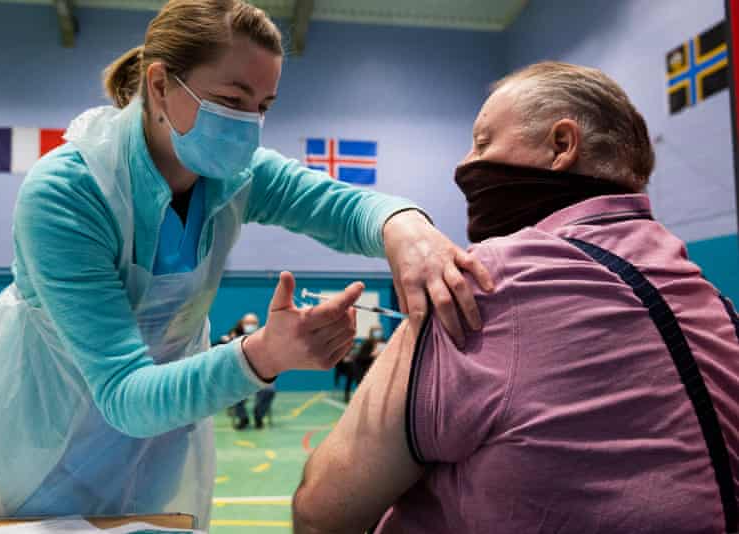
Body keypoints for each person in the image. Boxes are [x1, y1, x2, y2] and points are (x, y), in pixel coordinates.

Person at [0, 0, 493, 523]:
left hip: (160, 437)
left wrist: (406, 228)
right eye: (231, 100)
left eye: (263, 106)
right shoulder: (70, 192)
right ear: (161, 84)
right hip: (45, 446)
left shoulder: (231, 177)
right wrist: (263, 355)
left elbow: (342, 205)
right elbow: (123, 394)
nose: (248, 124)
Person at [292, 62, 739, 534]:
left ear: (561, 146)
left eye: (483, 142)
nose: (464, 165)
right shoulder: (712, 302)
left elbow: (322, 512)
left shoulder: (491, 280)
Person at [228, 313, 275, 429]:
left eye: (253, 323)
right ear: (242, 324)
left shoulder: (264, 337)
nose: (250, 325)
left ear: (257, 324)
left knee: (269, 391)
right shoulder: (234, 337)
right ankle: (243, 418)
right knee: (234, 392)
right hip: (240, 375)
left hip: (260, 375)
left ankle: (258, 414)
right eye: (248, 323)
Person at [343, 325, 385, 402]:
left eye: (379, 331)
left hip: (375, 368)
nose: (378, 333)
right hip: (361, 368)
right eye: (376, 331)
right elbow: (360, 358)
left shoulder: (383, 342)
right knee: (359, 383)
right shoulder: (367, 343)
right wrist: (372, 355)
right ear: (372, 332)